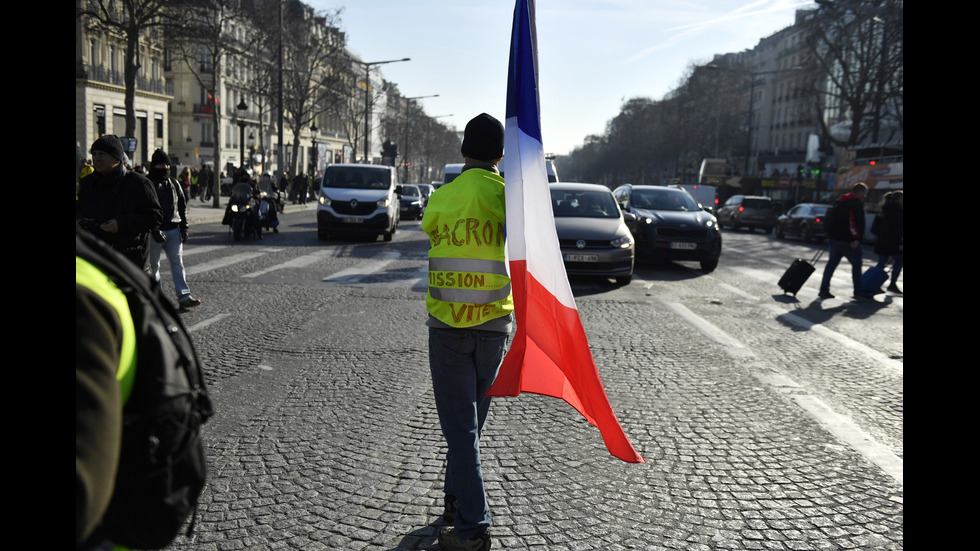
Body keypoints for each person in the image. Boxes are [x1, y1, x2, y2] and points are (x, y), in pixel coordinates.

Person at [422, 113, 513, 551]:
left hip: (448, 327)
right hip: (494, 327)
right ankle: (455, 501)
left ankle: (473, 528)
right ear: (500, 154)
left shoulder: (443, 196)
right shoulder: (510, 198)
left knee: (461, 433)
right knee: (470, 427)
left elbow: (430, 230)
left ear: (463, 150)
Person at [76, 135, 163, 272]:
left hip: (130, 265)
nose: (96, 158)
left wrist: (120, 224)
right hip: (95, 260)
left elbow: (154, 217)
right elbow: (79, 209)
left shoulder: (139, 183)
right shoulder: (87, 183)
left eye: (102, 154)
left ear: (117, 158)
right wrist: (80, 221)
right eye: (94, 154)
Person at [147, 150, 202, 308]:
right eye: (160, 164)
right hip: (154, 232)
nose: (164, 167)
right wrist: (153, 229)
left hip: (173, 229)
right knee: (153, 267)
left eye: (166, 164)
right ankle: (156, 299)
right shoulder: (146, 183)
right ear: (153, 165)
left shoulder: (174, 183)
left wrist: (184, 227)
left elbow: (182, 205)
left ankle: (184, 296)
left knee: (178, 264)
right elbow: (142, 208)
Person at [819, 182, 868, 299]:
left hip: (834, 239)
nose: (865, 196)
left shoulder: (840, 201)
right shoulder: (854, 203)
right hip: (848, 241)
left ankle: (824, 290)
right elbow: (853, 222)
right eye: (865, 193)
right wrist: (856, 238)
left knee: (831, 265)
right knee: (856, 265)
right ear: (860, 192)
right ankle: (858, 292)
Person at [874, 190, 903, 294]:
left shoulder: (884, 209)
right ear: (898, 199)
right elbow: (897, 229)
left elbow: (874, 228)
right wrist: (900, 243)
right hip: (892, 242)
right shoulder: (897, 210)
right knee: (899, 261)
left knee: (881, 263)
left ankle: (875, 284)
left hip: (882, 241)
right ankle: (892, 284)